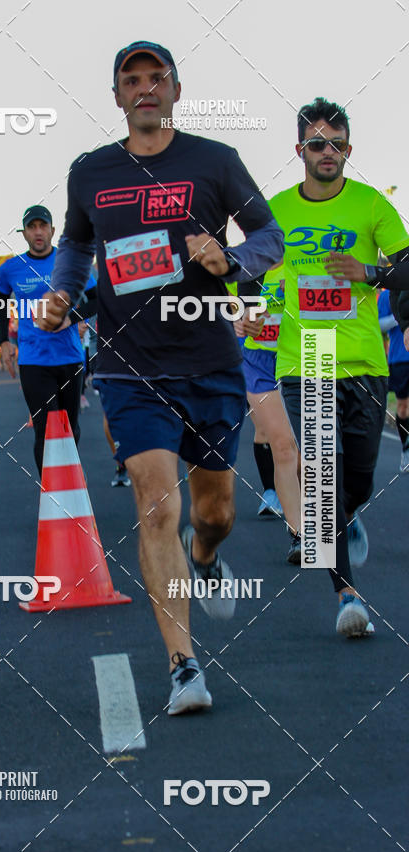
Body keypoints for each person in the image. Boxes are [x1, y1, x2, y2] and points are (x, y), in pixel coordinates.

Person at [36, 41, 283, 714]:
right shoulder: (91, 171)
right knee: (156, 505)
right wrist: (63, 294)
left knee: (215, 512)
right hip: (129, 367)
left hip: (210, 365)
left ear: (176, 90)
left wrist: (230, 259)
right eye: (131, 81)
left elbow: (271, 235)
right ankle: (183, 666)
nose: (145, 89)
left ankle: (204, 558)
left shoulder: (215, 161)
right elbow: (77, 244)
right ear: (117, 97)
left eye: (157, 79)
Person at [272, 97, 409, 636]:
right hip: (305, 360)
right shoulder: (277, 209)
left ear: (348, 150)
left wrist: (369, 271)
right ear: (300, 150)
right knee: (324, 479)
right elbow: (258, 275)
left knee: (359, 479)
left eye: (336, 144)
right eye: (316, 143)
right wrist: (250, 316)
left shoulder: (372, 205)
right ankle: (347, 596)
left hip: (364, 361)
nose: (326, 152)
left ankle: (344, 519)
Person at [0, 205, 97, 474]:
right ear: (24, 233)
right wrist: (3, 341)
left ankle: (71, 491)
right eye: (32, 227)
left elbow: (98, 299)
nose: (38, 232)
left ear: (53, 231)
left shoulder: (71, 263)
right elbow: (1, 307)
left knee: (70, 429)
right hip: (33, 360)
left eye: (43, 226)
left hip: (70, 356)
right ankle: (51, 496)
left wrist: (70, 319)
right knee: (46, 428)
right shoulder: (10, 269)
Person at [235, 269, 302, 563]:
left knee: (309, 452)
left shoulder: (308, 256)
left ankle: (338, 514)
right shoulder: (253, 265)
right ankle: (299, 537)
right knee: (284, 446)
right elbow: (243, 310)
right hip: (259, 360)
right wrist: (242, 321)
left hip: (306, 355)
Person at [378, 288, 409, 472]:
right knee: (403, 407)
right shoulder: (387, 294)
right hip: (400, 357)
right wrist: (400, 316)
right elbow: (380, 325)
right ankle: (406, 448)